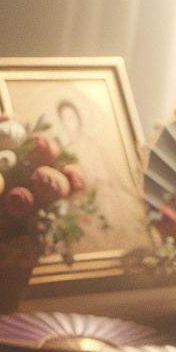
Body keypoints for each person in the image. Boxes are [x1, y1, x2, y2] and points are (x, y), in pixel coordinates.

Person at [55, 97, 147, 253]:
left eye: (73, 117)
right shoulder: (65, 151)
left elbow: (101, 175)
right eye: (66, 118)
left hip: (100, 196)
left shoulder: (91, 145)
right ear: (62, 122)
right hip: (75, 201)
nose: (71, 121)